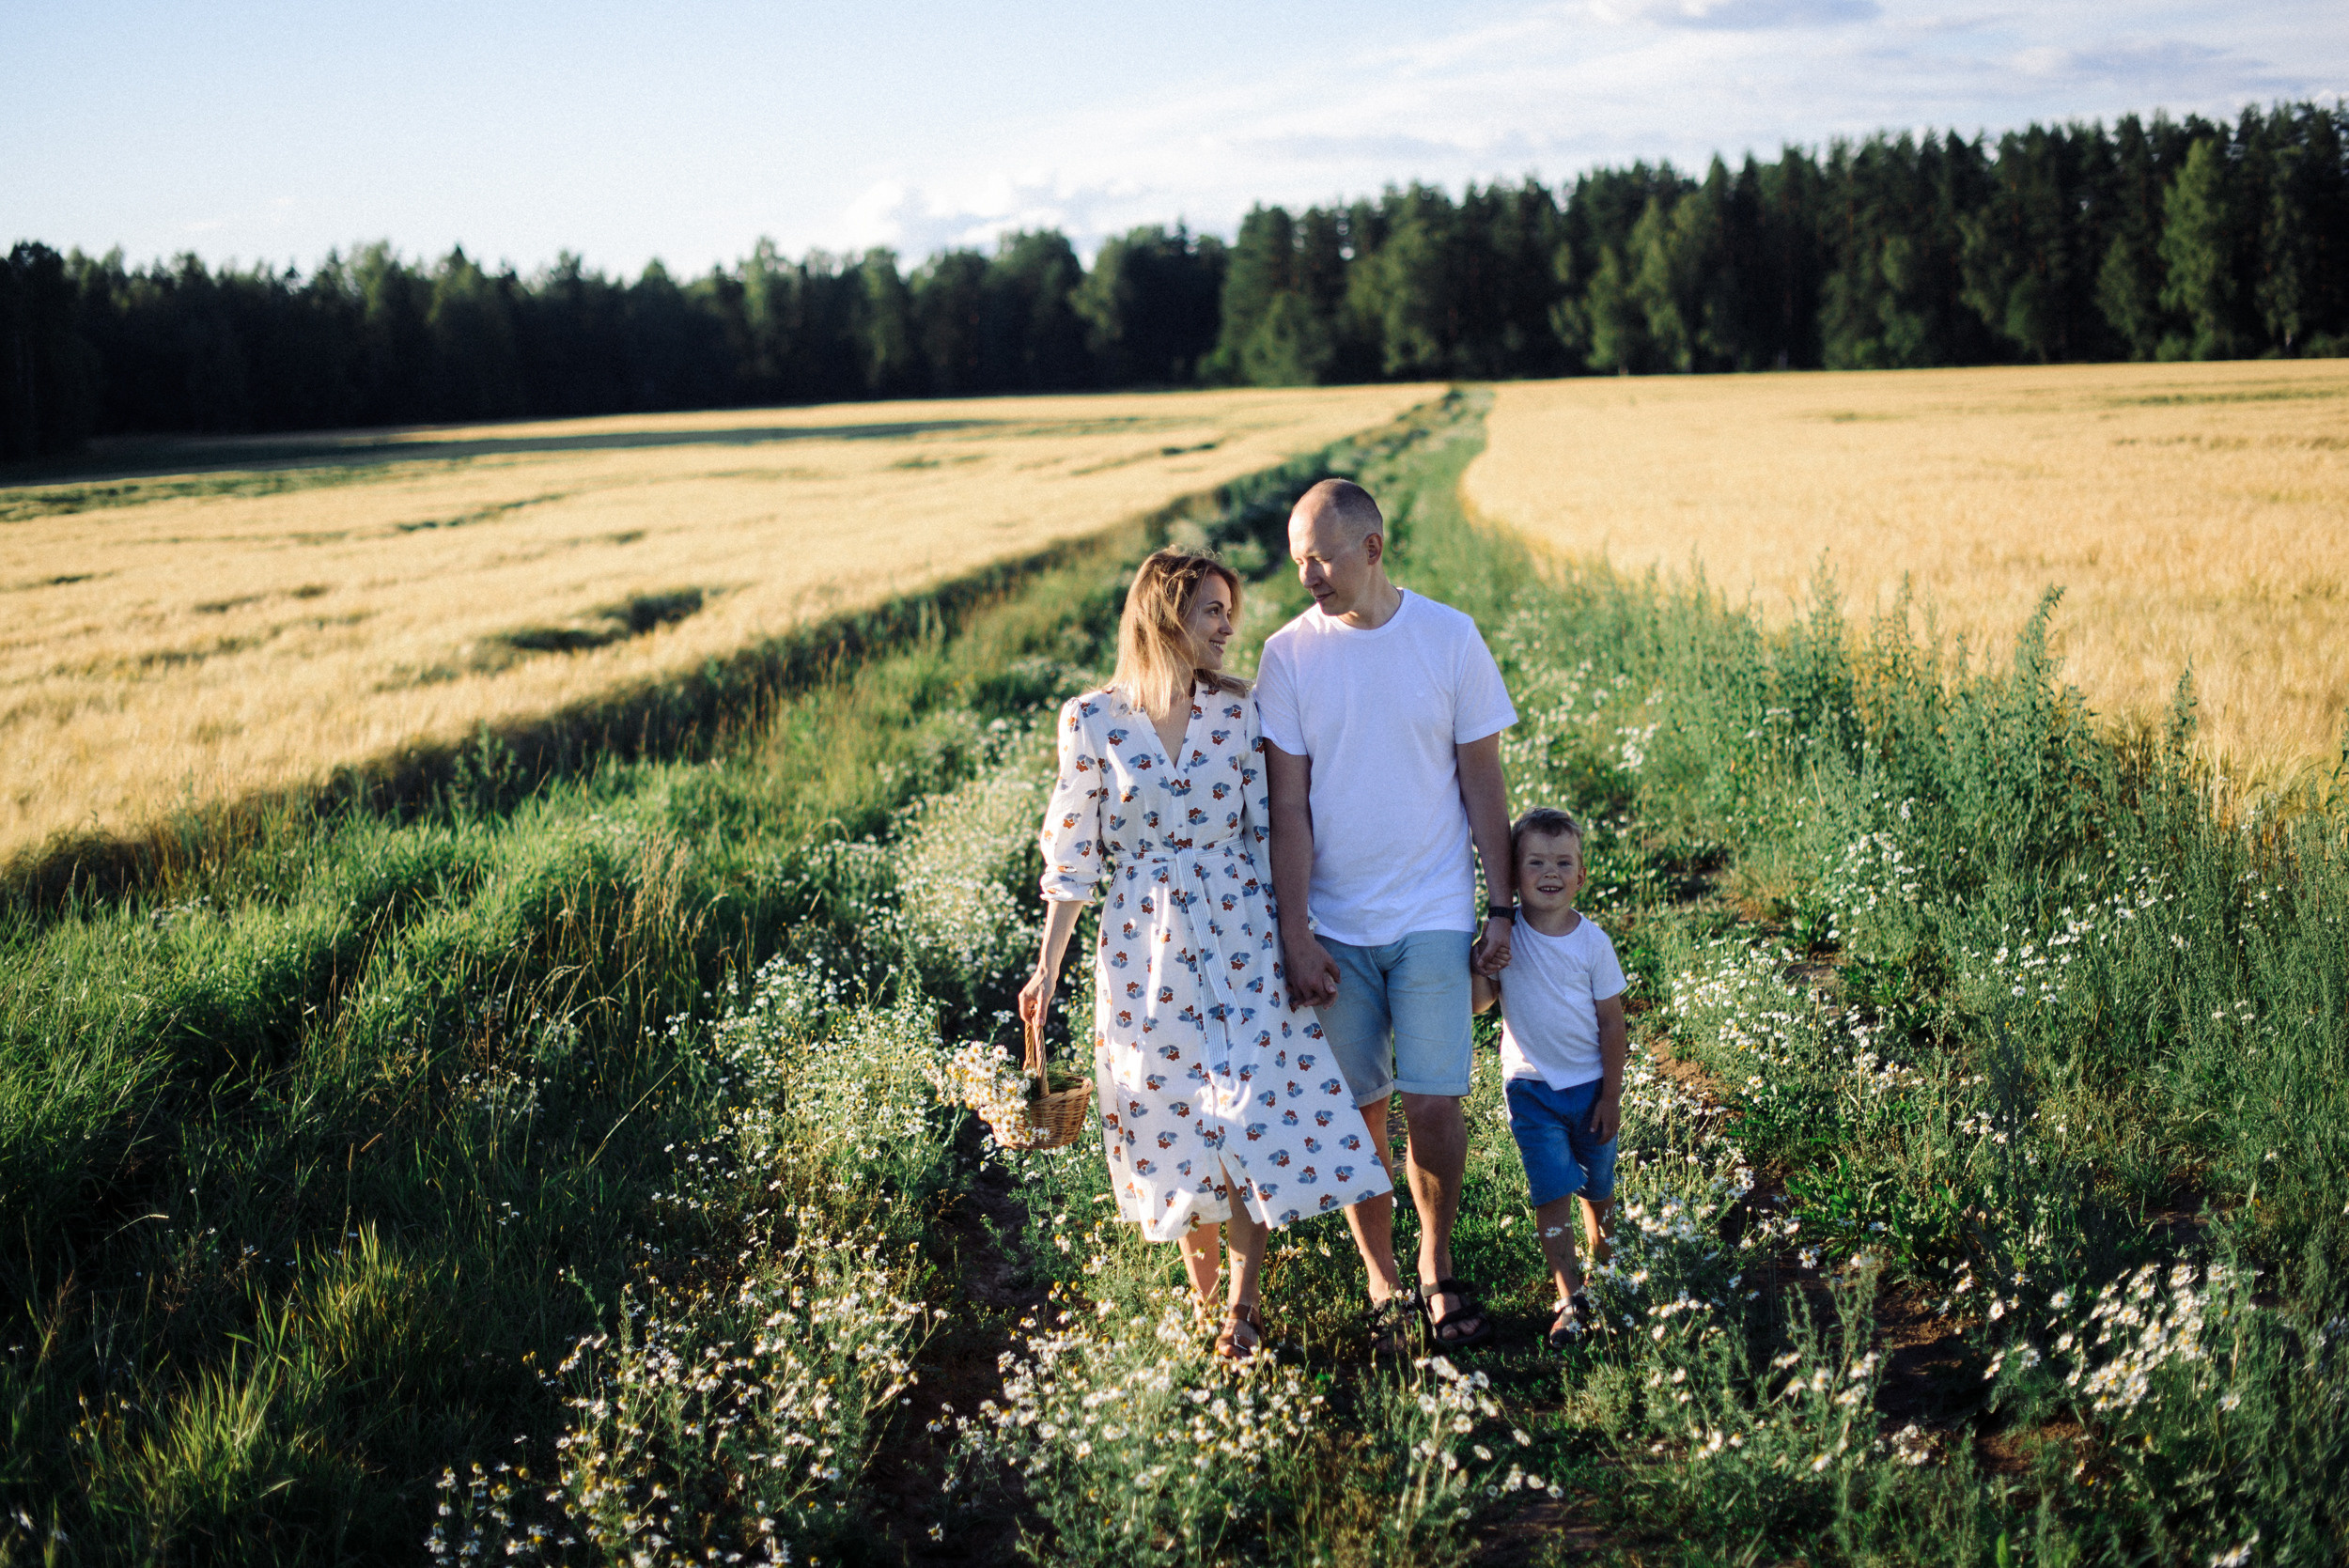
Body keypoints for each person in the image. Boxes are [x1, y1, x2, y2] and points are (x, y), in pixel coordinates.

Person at [1020, 548, 1392, 1360]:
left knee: (1249, 1113)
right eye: (1214, 611)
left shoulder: (1239, 711)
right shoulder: (1092, 719)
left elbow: (1269, 834)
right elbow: (1074, 860)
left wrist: (1300, 937)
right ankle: (1204, 1301)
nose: (1230, 627)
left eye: (1231, 609)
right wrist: (1046, 968)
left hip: (1242, 934)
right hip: (1142, 949)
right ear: (1166, 615)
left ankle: (1244, 1306)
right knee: (1175, 1116)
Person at [1256, 478, 1518, 1350]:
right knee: (1357, 1112)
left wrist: (1502, 905)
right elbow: (1286, 809)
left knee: (1435, 1104)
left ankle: (1439, 1268)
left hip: (1434, 910)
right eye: (1298, 561)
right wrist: (1295, 932)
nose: (1308, 578)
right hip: (1333, 925)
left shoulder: (1449, 637)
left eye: (1320, 558)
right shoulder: (1286, 656)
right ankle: (1383, 1281)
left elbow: (1485, 782)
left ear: (1371, 547)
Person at [1470, 808, 1626, 1348]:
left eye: (1563, 862)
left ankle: (1605, 1278)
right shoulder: (1506, 934)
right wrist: (1480, 963)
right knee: (1551, 1195)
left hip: (1590, 1089)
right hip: (1531, 1087)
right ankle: (1570, 1296)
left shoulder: (1592, 943)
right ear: (1514, 875)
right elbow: (1479, 1004)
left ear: (1581, 877)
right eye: (1535, 862)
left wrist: (1611, 1094)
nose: (1550, 872)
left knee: (1598, 1191)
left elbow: (1613, 1022)